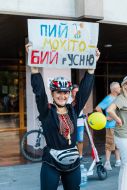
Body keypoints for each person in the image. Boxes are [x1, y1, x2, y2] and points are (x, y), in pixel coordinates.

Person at [26, 43, 100, 190]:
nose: (62, 95)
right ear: (52, 94)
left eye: (65, 92)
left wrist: (91, 68)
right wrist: (34, 67)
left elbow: (84, 92)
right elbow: (39, 92)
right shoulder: (46, 111)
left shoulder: (73, 109)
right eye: (58, 92)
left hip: (73, 163)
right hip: (51, 163)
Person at [95, 82, 121, 170]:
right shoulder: (108, 98)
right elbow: (98, 108)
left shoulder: (117, 97)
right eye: (118, 87)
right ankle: (107, 163)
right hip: (110, 126)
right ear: (114, 90)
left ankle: (118, 161)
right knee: (110, 144)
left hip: (117, 124)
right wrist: (105, 117)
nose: (120, 88)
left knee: (118, 144)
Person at [107, 76, 127, 190]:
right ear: (124, 85)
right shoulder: (121, 98)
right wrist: (118, 119)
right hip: (122, 135)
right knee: (126, 164)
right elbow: (110, 110)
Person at [70, 84, 85, 160]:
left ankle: (80, 155)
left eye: (77, 92)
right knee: (71, 140)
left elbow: (84, 107)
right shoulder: (68, 99)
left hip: (80, 122)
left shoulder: (80, 99)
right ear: (71, 92)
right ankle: (72, 155)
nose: (76, 93)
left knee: (80, 140)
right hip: (71, 123)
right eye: (75, 91)